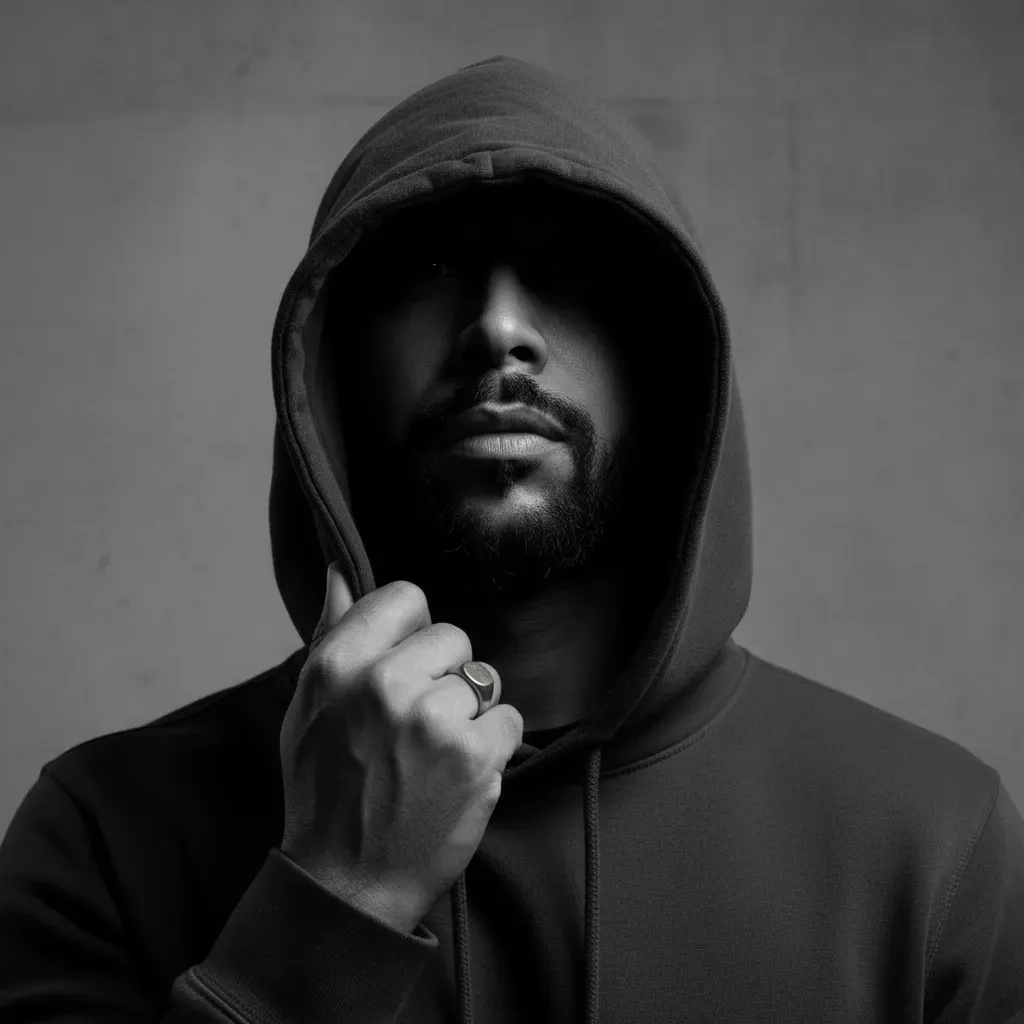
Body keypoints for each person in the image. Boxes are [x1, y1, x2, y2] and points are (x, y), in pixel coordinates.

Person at [0, 54, 1021, 1024]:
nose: (497, 327)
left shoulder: (929, 843)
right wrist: (336, 893)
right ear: (331, 371)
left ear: (667, 364)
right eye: (430, 267)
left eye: (570, 272)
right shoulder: (106, 831)